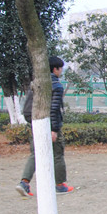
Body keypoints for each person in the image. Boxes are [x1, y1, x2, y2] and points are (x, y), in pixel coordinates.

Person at [16, 56, 74, 196]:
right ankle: (60, 185)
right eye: (60, 68)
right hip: (49, 124)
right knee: (58, 154)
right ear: (55, 69)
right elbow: (54, 109)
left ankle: (24, 183)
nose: (61, 71)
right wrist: (54, 129)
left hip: (36, 122)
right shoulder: (56, 85)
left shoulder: (37, 83)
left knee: (36, 153)